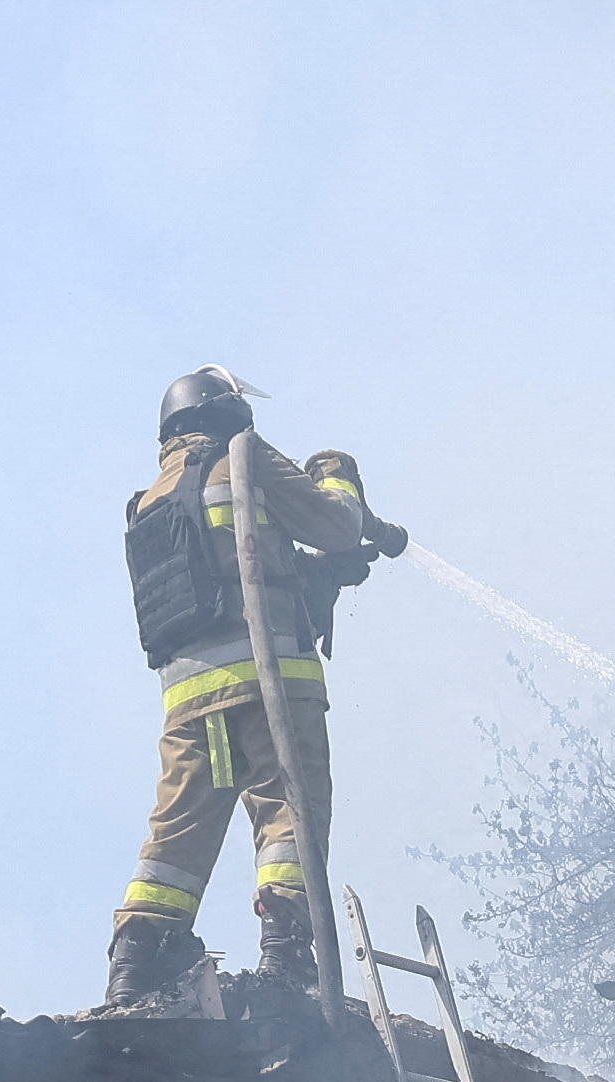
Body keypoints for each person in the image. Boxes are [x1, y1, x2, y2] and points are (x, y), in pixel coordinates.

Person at [105, 366, 400, 1012]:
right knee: (289, 813)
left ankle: (134, 961)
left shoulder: (151, 500)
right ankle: (286, 957)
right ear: (227, 414)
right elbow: (337, 523)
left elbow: (229, 572)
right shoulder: (244, 457)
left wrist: (315, 578)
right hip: (272, 689)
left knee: (176, 835)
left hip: (189, 708)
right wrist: (335, 471)